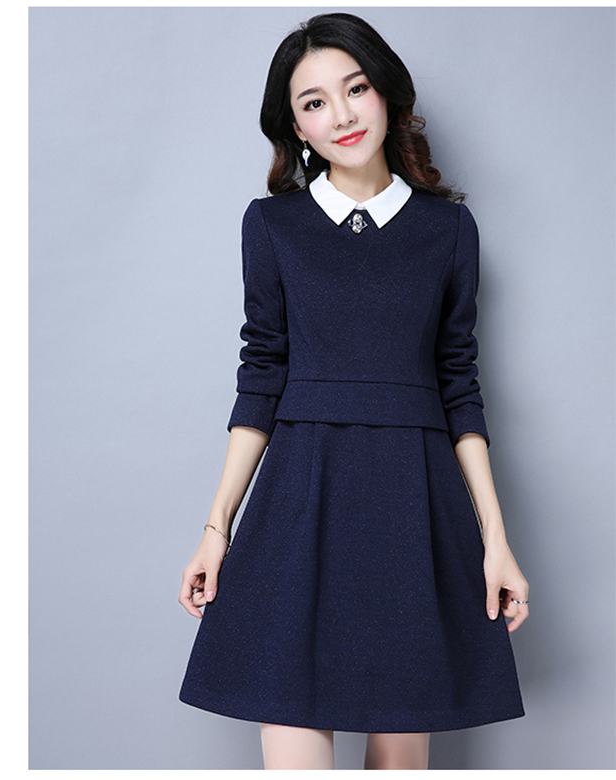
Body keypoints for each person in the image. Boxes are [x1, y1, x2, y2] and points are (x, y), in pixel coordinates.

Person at [177, 12, 528, 771]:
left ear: (388, 95)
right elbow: (262, 372)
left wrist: (496, 541)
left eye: (356, 89)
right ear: (296, 127)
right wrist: (216, 528)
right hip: (299, 505)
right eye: (314, 102)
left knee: (399, 759)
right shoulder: (273, 226)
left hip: (414, 511)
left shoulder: (448, 230)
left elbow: (459, 385)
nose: (340, 115)